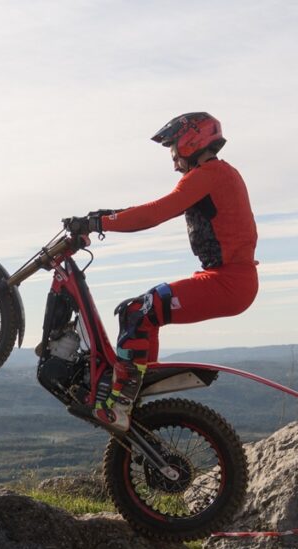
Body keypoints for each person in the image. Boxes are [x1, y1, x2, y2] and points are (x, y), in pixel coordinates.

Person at [65, 112, 259, 431]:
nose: (173, 162)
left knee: (142, 311)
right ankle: (133, 400)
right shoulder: (218, 174)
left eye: (173, 151)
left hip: (230, 283)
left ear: (190, 141)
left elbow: (156, 212)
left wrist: (99, 223)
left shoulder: (210, 174)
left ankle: (120, 405)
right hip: (226, 278)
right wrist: (107, 216)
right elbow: (152, 209)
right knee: (133, 310)